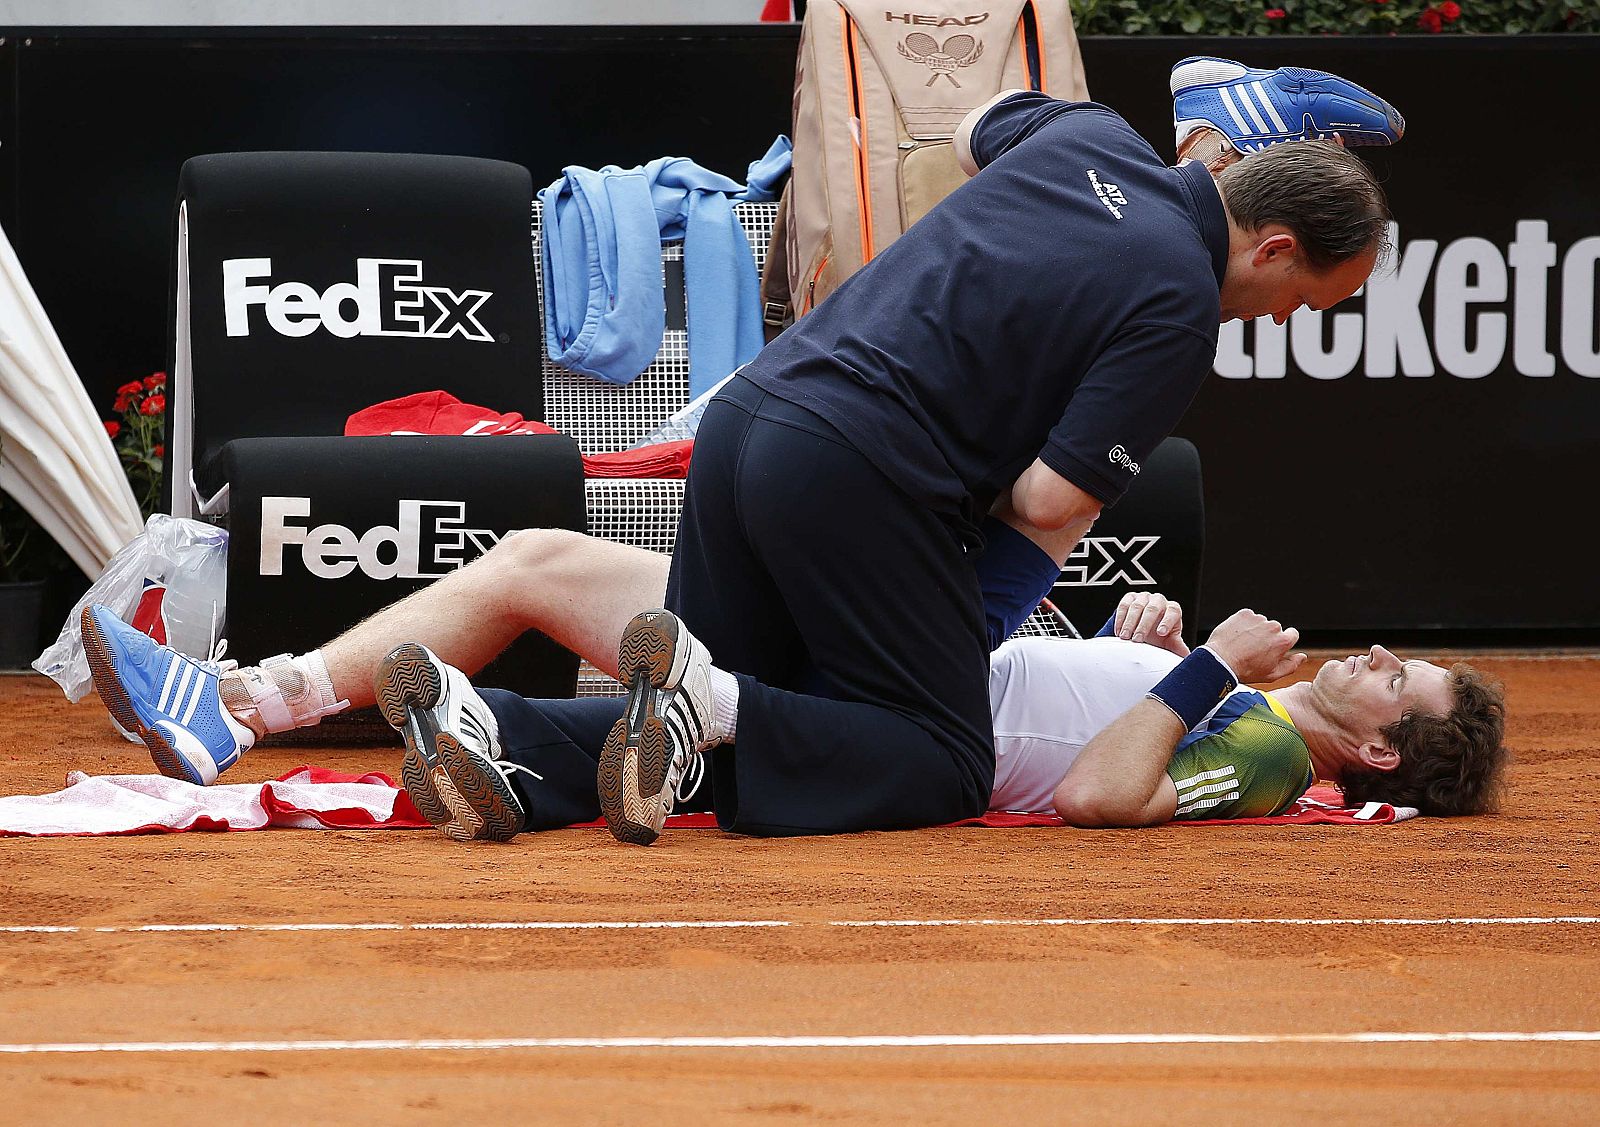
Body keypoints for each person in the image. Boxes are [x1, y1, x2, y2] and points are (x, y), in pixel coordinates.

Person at [83, 59, 1413, 844]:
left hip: (751, 422)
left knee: (731, 716)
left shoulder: (1085, 138)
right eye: (1310, 298)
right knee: (934, 756)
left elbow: (973, 129)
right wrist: (975, 595)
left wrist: (1207, 124)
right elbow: (1050, 503)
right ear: (1272, 246)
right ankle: (706, 704)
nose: (1288, 321)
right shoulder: (1179, 306)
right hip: (867, 475)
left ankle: (439, 727)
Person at [78, 524, 1506, 838]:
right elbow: (1079, 711)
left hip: (876, 693)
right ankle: (457, 741)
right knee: (539, 586)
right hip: (893, 667)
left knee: (540, 573)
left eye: (1405, 684)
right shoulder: (1237, 710)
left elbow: (1093, 793)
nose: (1380, 657)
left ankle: (253, 707)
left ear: (1381, 754)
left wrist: (1194, 673)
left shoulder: (1271, 755)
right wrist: (1152, 653)